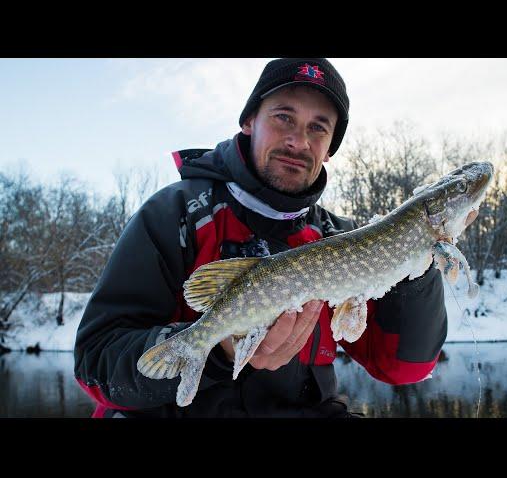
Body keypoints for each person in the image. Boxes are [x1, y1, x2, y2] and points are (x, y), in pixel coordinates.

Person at [74, 58, 451, 418]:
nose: (299, 141)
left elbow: (405, 368)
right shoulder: (176, 214)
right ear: (249, 120)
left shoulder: (342, 240)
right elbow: (96, 362)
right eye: (284, 117)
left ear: (331, 147)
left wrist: (418, 265)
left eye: (318, 127)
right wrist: (220, 352)